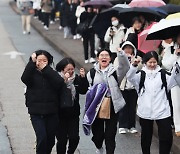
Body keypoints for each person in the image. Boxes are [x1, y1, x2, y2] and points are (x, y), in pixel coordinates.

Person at [127, 51, 176, 154]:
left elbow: (174, 80)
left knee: (166, 137)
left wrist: (176, 59)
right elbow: (130, 77)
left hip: (162, 110)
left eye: (154, 62)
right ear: (145, 62)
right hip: (145, 111)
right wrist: (134, 65)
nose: (152, 65)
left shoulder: (163, 74)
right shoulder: (141, 75)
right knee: (146, 138)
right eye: (150, 62)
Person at [86, 48, 129, 154]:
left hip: (112, 105)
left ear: (110, 59)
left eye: (106, 55)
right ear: (97, 58)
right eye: (101, 55)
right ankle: (99, 147)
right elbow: (87, 88)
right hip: (97, 106)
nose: (104, 57)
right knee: (98, 135)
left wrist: (121, 54)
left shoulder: (115, 72)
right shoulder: (91, 73)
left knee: (110, 135)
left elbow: (125, 66)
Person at [21, 50, 64, 154]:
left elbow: (59, 82)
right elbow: (24, 78)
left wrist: (46, 70)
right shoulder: (31, 74)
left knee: (50, 140)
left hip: (51, 112)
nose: (41, 62)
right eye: (39, 60)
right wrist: (32, 62)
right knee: (42, 138)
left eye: (44, 60)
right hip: (36, 113)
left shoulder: (51, 73)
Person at [55, 57, 89, 154]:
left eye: (72, 69)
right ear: (62, 69)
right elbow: (54, 91)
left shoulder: (76, 78)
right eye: (68, 69)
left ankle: (70, 152)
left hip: (73, 114)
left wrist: (83, 78)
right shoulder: (57, 79)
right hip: (59, 114)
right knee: (62, 140)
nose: (70, 71)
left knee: (74, 138)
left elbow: (83, 90)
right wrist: (64, 81)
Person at [114, 41, 142, 134]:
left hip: (133, 87)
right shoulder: (118, 59)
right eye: (126, 48)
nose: (128, 50)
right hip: (123, 87)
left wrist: (134, 63)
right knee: (123, 107)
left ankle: (132, 125)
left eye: (130, 48)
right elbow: (117, 70)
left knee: (132, 107)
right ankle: (122, 125)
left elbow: (140, 69)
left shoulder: (137, 58)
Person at [162, 33, 180, 137]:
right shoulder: (170, 49)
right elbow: (166, 64)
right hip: (175, 78)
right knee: (176, 103)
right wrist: (175, 54)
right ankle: (178, 127)